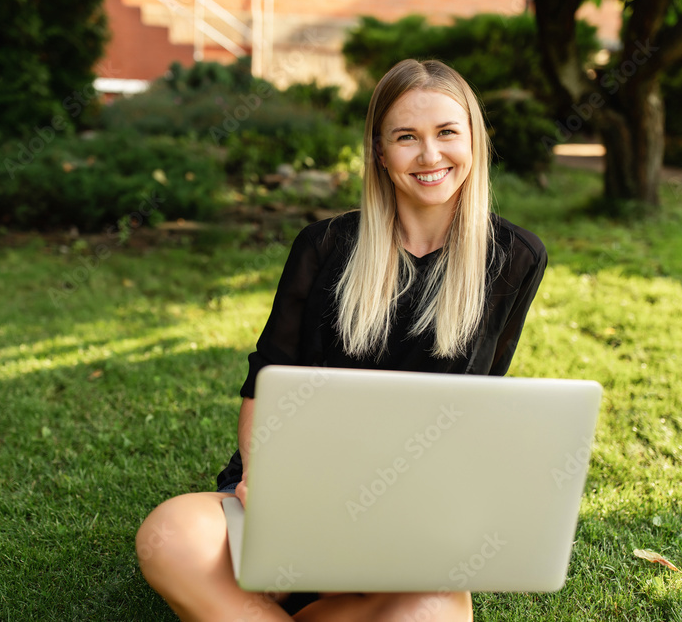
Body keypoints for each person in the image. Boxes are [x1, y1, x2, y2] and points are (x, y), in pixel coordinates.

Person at [136, 58, 547, 621]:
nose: (430, 156)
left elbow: (483, 399)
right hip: (296, 493)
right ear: (380, 153)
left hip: (409, 516)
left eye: (447, 133)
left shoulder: (515, 258)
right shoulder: (324, 246)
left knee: (431, 612)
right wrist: (261, 477)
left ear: (474, 140)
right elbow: (266, 378)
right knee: (174, 535)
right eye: (407, 137)